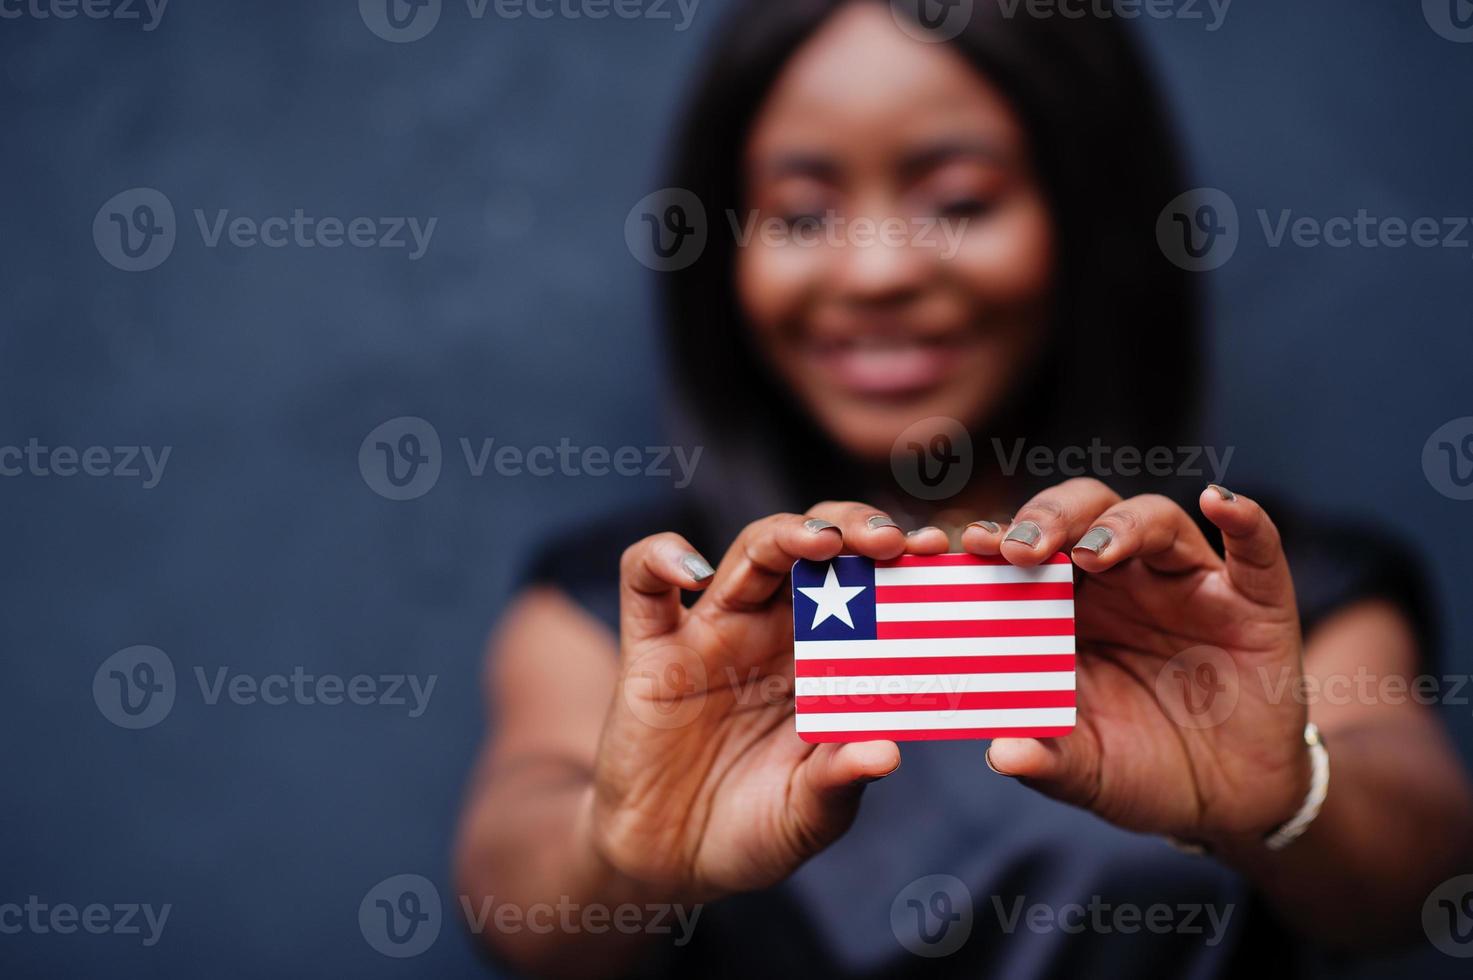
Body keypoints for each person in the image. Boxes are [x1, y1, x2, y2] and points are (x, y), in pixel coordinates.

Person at [455, 2, 1473, 976]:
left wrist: (1284, 802)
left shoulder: (1259, 592)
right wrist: (620, 849)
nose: (878, 271)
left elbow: (1417, 870)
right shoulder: (631, 605)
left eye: (960, 201)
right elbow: (521, 908)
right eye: (802, 213)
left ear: (1083, 217)